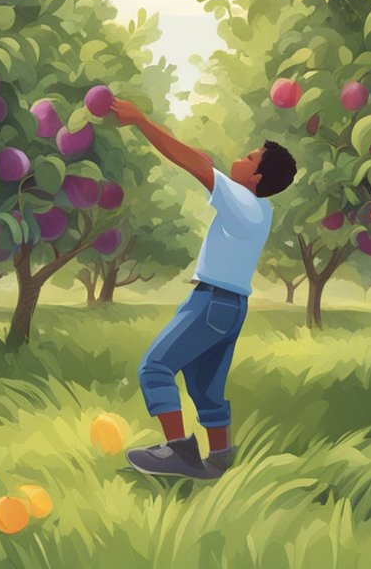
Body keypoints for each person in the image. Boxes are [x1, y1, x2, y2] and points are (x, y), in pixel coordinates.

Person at [110, 98, 296, 479]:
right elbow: (200, 159)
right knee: (205, 387)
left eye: (249, 157)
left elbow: (194, 165)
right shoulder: (260, 208)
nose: (240, 159)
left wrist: (141, 121)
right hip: (231, 307)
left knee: (155, 368)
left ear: (256, 178)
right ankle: (220, 456)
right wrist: (194, 155)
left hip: (210, 302)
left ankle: (179, 451)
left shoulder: (240, 200)